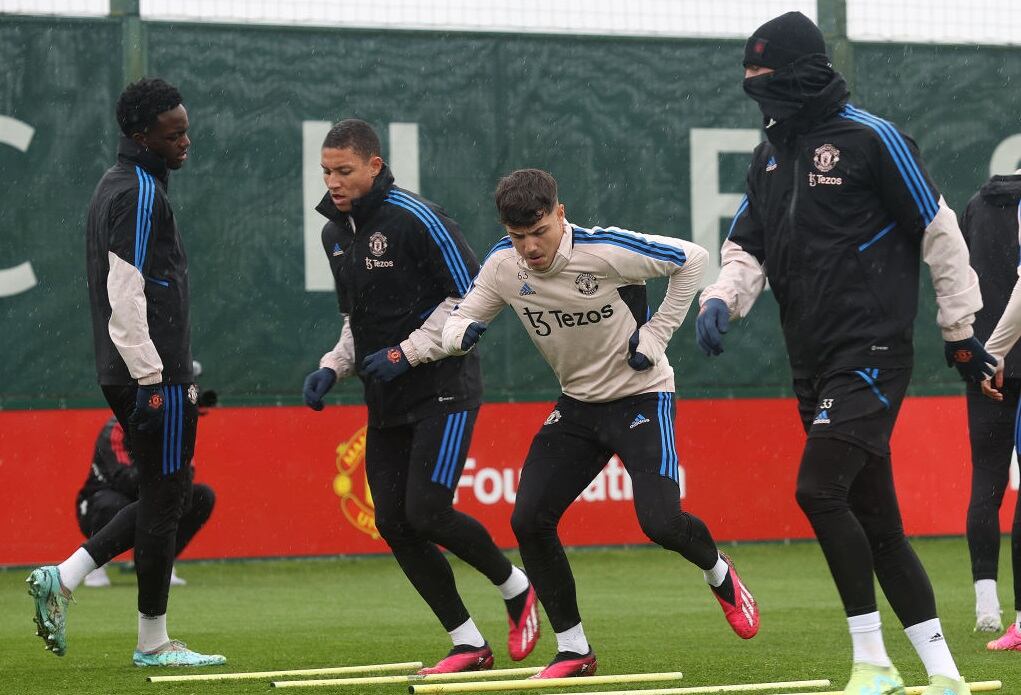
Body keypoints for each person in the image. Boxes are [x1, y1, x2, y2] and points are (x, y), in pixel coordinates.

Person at [695, 12, 993, 695]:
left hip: (872, 349)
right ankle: (945, 675)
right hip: (812, 358)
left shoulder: (873, 139)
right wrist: (722, 298)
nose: (756, 96)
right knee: (877, 522)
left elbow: (940, 233)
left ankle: (872, 662)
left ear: (798, 75)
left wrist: (958, 329)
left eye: (763, 81)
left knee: (816, 488)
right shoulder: (768, 155)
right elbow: (748, 244)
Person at [439, 168, 759, 680]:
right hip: (578, 406)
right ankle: (574, 650)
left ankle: (719, 573)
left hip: (641, 397)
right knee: (528, 521)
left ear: (560, 214)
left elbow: (693, 260)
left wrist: (655, 335)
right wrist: (458, 333)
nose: (530, 248)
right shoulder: (504, 266)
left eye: (539, 232)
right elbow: (464, 313)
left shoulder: (603, 251)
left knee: (660, 523)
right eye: (519, 237)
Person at [301, 119, 539, 674]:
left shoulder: (419, 218)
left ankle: (516, 586)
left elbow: (474, 299)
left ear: (375, 166)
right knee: (393, 522)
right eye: (326, 172)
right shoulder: (335, 232)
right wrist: (333, 366)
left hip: (444, 387)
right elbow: (354, 320)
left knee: (427, 512)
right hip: (386, 398)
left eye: (344, 171)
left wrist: (408, 353)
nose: (332, 182)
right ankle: (467, 643)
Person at [28, 78, 224, 667]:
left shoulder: (122, 184)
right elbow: (125, 287)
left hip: (140, 370)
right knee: (166, 502)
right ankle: (152, 642)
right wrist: (151, 378)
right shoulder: (138, 191)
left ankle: (64, 578)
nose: (187, 141)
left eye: (186, 128)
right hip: (150, 374)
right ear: (142, 136)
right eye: (175, 133)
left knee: (170, 492)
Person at [77, 377, 218, 588]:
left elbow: (183, 480)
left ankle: (158, 561)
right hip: (101, 500)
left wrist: (171, 486)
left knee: (198, 496)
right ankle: (94, 564)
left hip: (148, 496)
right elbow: (123, 479)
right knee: (118, 505)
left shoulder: (176, 433)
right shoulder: (117, 427)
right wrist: (161, 480)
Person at [970, 171, 1021, 650]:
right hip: (1004, 349)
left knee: (985, 483)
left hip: (988, 357)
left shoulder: (977, 206)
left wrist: (980, 349)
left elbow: (960, 275)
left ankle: (988, 605)